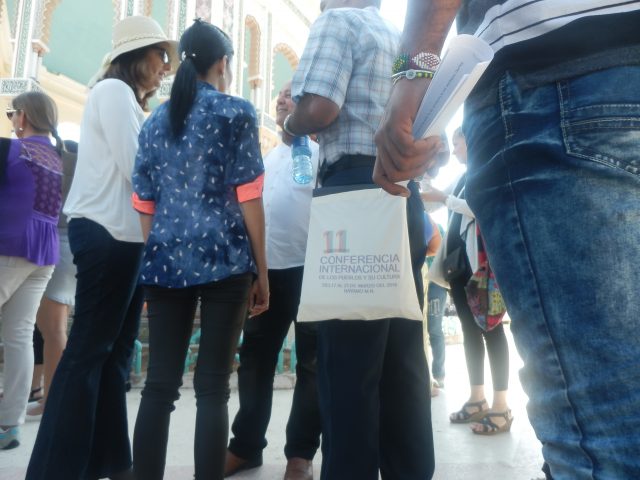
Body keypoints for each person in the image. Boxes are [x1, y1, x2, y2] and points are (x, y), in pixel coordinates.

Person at [374, 1, 640, 478]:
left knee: (606, 436)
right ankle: (482, 397)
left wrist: (413, 80)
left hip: (554, 75)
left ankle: (495, 401)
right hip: (588, 77)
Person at [285, 1, 435, 478]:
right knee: (402, 352)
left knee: (347, 359)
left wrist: (290, 121)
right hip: (401, 191)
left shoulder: (337, 22)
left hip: (354, 190)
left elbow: (322, 108)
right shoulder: (400, 36)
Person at [26, 16, 177, 480]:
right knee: (91, 351)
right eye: (159, 55)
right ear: (137, 55)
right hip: (109, 232)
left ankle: (110, 462)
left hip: (124, 236)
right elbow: (138, 168)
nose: (165, 66)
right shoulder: (113, 93)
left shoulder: (126, 100)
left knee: (115, 356)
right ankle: (56, 469)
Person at [130, 20, 268, 480]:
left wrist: (161, 247)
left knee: (158, 387)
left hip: (165, 261)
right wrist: (261, 272)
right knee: (212, 388)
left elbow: (144, 202)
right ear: (223, 63)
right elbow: (249, 196)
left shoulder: (154, 122)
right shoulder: (236, 113)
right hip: (226, 261)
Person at [225, 80, 321, 480]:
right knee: (254, 362)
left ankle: (300, 454)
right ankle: (246, 447)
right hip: (267, 273)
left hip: (314, 272)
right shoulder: (264, 158)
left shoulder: (321, 155)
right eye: (280, 95)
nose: (283, 98)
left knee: (312, 365)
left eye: (292, 94)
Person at [423, 128, 511, 434]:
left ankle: (502, 407)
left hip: (482, 268)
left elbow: (480, 208)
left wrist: (443, 198)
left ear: (470, 141)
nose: (454, 148)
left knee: (493, 331)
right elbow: (435, 201)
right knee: (471, 332)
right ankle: (477, 399)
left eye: (457, 142)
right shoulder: (461, 178)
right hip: (458, 268)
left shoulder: (487, 171)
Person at [0, 91, 63, 450]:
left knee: (20, 335)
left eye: (12, 114)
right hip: (44, 253)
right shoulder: (54, 156)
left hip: (10, 245)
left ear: (23, 117)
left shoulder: (13, 151)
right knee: (20, 336)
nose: (11, 120)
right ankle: (9, 425)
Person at [26, 140, 78, 420]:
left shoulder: (38, 154)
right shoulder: (60, 153)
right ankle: (49, 397)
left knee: (52, 327)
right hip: (67, 238)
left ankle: (53, 401)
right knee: (51, 327)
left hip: (59, 238)